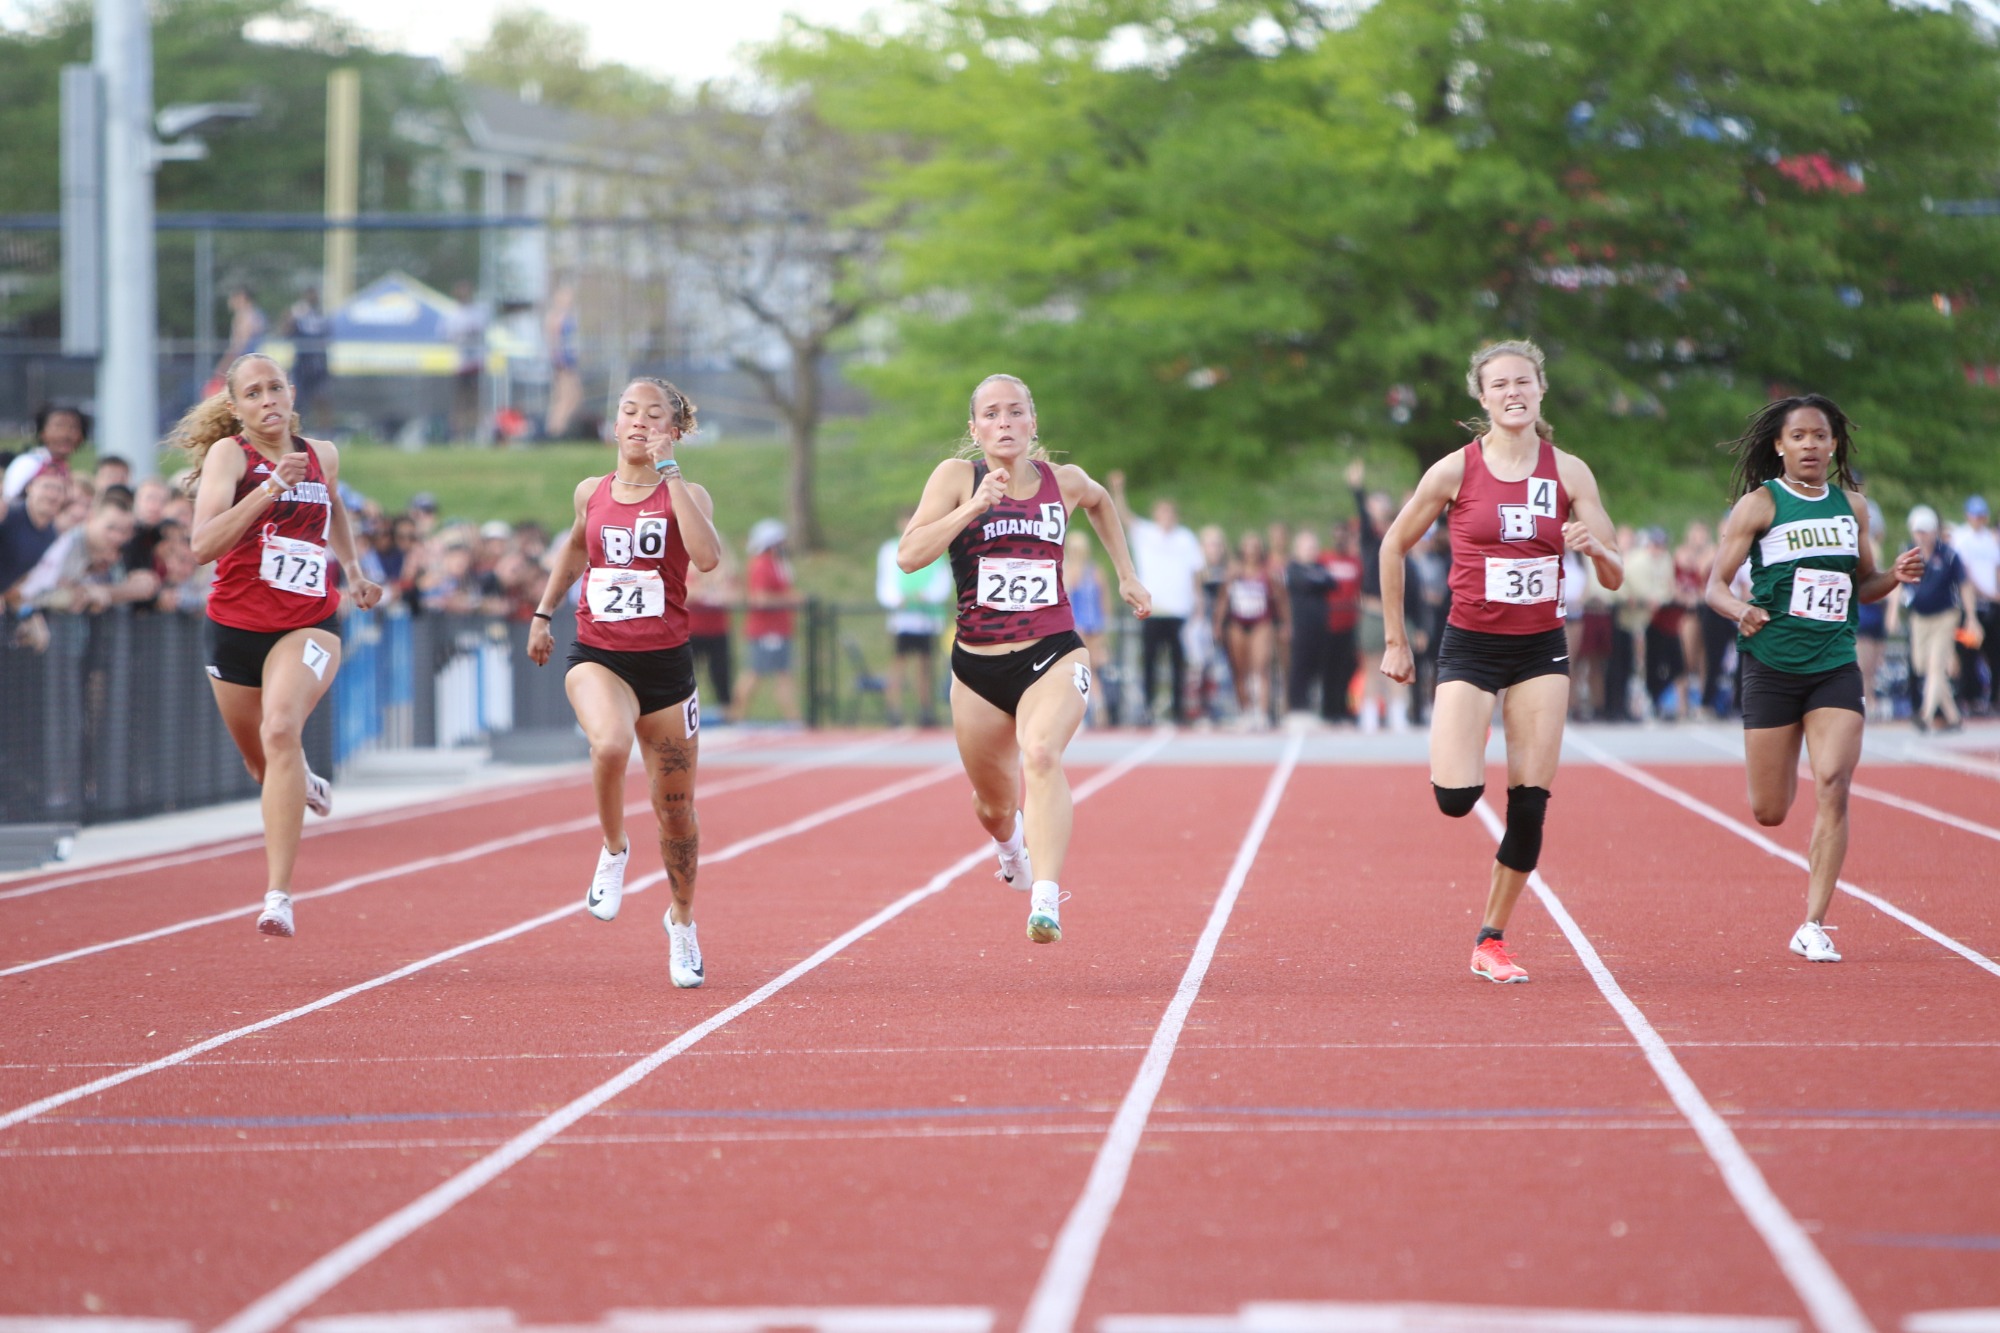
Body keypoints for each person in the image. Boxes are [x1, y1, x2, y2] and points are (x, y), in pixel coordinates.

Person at [1379, 340, 1623, 984]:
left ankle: (1492, 939)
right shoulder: (1453, 471)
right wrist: (1396, 640)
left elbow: (1616, 573)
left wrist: (1596, 548)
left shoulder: (1570, 472)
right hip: (1472, 645)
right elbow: (1392, 545)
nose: (1513, 392)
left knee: (1529, 804)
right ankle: (1471, 726)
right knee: (1456, 799)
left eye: (1523, 381)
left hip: (1541, 649)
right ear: (1482, 398)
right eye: (1500, 384)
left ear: (1541, 390)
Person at [897, 373, 1149, 943]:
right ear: (975, 429)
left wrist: (1127, 575)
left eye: (1015, 412)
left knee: (1040, 754)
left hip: (1053, 650)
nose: (1004, 423)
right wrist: (973, 507)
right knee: (994, 805)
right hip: (978, 668)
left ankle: (1046, 899)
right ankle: (1011, 850)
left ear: (1033, 422)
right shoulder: (957, 477)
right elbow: (910, 556)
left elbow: (1102, 503)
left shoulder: (1064, 482)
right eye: (991, 414)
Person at [1705, 395, 1921, 962]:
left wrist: (1894, 576)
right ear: (1779, 445)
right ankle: (1787, 755)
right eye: (1798, 436)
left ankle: (1813, 923)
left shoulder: (1853, 508)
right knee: (1770, 809)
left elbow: (1865, 584)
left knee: (1835, 783)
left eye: (1819, 436)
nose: (1809, 445)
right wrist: (1741, 610)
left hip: (1834, 664)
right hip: (1772, 665)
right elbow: (1714, 587)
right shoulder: (1759, 505)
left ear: (1833, 445)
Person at [177, 352, 382, 938]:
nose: (267, 399)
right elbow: (202, 546)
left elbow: (334, 507)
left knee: (280, 728)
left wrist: (353, 570)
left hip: (309, 623)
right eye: (253, 393)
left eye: (275, 388)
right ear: (236, 407)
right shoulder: (230, 456)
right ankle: (304, 780)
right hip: (235, 628)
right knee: (261, 763)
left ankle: (278, 896)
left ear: (291, 393)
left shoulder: (323, 455)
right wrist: (270, 487)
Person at [526, 377, 721, 988]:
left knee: (676, 813)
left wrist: (671, 474)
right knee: (609, 744)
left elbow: (707, 558)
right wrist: (543, 612)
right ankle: (614, 847)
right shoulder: (591, 491)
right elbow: (574, 551)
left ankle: (681, 921)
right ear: (614, 425)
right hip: (600, 655)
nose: (639, 421)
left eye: (653, 414)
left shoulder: (688, 494)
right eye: (629, 411)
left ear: (674, 430)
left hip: (666, 668)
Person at [1109, 473, 1205, 725]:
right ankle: (1149, 708)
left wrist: (1198, 602)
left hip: (1178, 610)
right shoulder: (1146, 533)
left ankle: (1179, 711)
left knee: (1178, 663)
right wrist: (1118, 490)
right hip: (1152, 609)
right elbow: (1123, 517)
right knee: (1150, 661)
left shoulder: (1185, 538)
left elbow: (1195, 574)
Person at [1898, 504, 1982, 734]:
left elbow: (1964, 585)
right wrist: (1893, 611)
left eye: (1924, 531)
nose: (1921, 536)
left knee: (1936, 665)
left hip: (1945, 616)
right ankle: (1953, 716)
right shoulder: (1908, 552)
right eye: (1917, 531)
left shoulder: (1948, 555)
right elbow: (1899, 582)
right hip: (1919, 617)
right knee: (1921, 665)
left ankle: (1925, 715)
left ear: (1934, 531)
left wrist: (1971, 616)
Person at [877, 509, 952, 727]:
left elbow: (942, 581)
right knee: (898, 663)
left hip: (927, 619)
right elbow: (885, 581)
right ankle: (893, 709)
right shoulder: (890, 549)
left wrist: (926, 596)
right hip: (903, 619)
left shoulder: (934, 546)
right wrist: (896, 599)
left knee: (924, 664)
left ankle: (925, 710)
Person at [733, 519, 801, 724]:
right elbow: (759, 599)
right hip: (766, 631)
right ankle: (737, 715)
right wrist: (790, 599)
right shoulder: (762, 565)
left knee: (783, 673)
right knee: (754, 672)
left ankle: (793, 717)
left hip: (780, 629)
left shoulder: (777, 564)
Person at [1215, 530, 1284, 729]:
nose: (1251, 551)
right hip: (1237, 622)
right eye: (1248, 546)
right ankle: (1245, 710)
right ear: (1242, 549)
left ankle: (1261, 713)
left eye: (1255, 546)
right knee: (1239, 669)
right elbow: (1223, 600)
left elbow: (1281, 599)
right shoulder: (1233, 572)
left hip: (1262, 622)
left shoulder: (1268, 573)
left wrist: (1283, 623)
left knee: (1261, 667)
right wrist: (1218, 624)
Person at [1949, 495, 1997, 714]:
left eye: (1981, 515)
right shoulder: (1961, 538)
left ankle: (1993, 698)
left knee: (1993, 651)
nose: (1978, 519)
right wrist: (1988, 593)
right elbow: (1964, 574)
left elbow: (1995, 568)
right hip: (1969, 606)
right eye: (1975, 515)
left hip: (1991, 605)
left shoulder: (1990, 539)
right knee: (1967, 652)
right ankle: (1969, 698)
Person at [1282, 528, 1334, 722]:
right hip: (1300, 624)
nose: (1311, 551)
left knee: (1317, 666)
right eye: (1307, 547)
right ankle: (1297, 707)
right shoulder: (1293, 568)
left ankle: (1314, 706)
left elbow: (1331, 583)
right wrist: (1316, 579)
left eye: (1313, 547)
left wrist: (1316, 579)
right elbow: (1303, 583)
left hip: (1320, 625)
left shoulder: (1320, 567)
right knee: (1299, 666)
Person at [685, 547, 736, 716]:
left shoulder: (725, 574)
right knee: (687, 674)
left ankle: (727, 711)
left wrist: (720, 592)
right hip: (692, 631)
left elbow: (734, 596)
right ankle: (686, 710)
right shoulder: (690, 571)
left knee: (721, 673)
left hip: (717, 631)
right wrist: (703, 590)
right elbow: (685, 593)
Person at [3, 405, 88, 503]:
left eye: (73, 428)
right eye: (59, 427)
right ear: (42, 433)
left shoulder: (65, 468)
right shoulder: (28, 463)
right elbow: (10, 500)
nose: (66, 434)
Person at [284, 288, 332, 427]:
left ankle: (325, 431)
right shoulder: (299, 314)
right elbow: (286, 332)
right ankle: (295, 427)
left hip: (318, 365)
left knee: (321, 398)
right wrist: (292, 316)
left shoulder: (322, 316)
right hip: (302, 365)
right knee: (297, 399)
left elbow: (327, 338)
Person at [543, 280, 583, 440]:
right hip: (562, 363)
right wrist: (560, 363)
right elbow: (553, 342)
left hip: (570, 362)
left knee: (573, 396)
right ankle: (554, 430)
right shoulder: (554, 317)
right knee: (565, 397)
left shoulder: (569, 316)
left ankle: (558, 428)